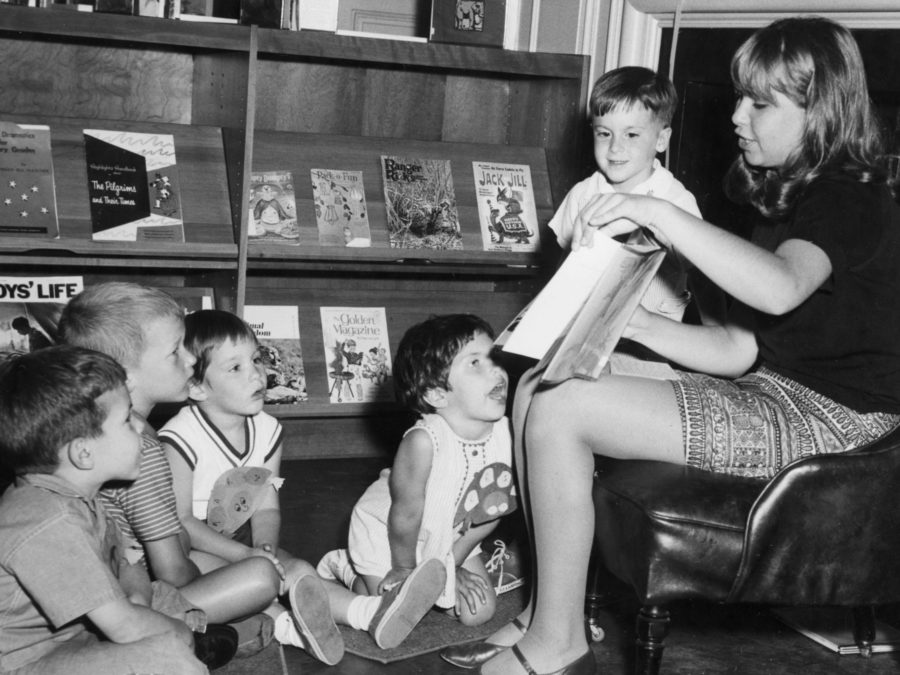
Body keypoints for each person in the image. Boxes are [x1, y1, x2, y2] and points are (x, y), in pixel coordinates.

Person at [475, 17, 900, 675]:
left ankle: (557, 640)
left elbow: (783, 287)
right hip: (774, 393)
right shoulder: (783, 198)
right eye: (739, 97)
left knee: (563, 409)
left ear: (819, 111)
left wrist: (659, 213)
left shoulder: (848, 195)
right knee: (543, 381)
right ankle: (542, 610)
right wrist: (629, 326)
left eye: (760, 102)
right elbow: (735, 348)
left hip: (839, 426)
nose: (736, 116)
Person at [56, 283, 347, 664]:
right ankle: (237, 625)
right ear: (126, 375)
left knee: (267, 568)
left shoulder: (119, 433)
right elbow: (174, 572)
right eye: (175, 353)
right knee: (261, 577)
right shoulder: (139, 451)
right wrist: (241, 572)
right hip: (137, 594)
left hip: (129, 581)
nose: (191, 361)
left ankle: (261, 622)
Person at [158, 308, 447, 652]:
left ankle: (368, 612)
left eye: (256, 359)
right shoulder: (179, 436)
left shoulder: (267, 430)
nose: (256, 376)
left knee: (297, 571)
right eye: (236, 368)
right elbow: (181, 521)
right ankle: (291, 630)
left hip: (241, 537)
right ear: (196, 386)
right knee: (257, 581)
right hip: (192, 547)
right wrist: (243, 556)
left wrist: (264, 547)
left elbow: (266, 505)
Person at [0, 345, 207, 675]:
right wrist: (176, 636)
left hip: (74, 638)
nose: (141, 428)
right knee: (170, 654)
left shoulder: (81, 495)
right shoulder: (48, 520)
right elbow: (124, 627)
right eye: (127, 420)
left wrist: (139, 602)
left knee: (165, 601)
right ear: (83, 453)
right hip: (22, 662)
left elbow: (127, 561)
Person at [317, 314, 518, 631]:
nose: (496, 370)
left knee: (478, 613)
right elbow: (406, 515)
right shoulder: (425, 441)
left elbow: (489, 516)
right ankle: (350, 569)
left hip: (451, 536)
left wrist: (453, 566)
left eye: (494, 358)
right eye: (475, 363)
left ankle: (430, 580)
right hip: (392, 537)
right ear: (437, 394)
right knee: (393, 609)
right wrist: (405, 568)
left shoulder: (509, 434)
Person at [549, 65, 702, 323]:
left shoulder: (676, 200)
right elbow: (564, 267)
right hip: (584, 326)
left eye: (631, 134)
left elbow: (697, 264)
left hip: (653, 337)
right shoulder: (583, 194)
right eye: (604, 134)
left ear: (661, 140)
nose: (615, 147)